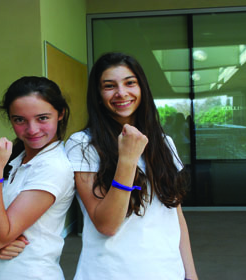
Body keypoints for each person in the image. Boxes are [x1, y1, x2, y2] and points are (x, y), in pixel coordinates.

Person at [65, 52, 198, 280]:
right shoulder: (82, 144)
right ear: (98, 95)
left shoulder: (164, 143)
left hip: (167, 271)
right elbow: (107, 225)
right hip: (110, 273)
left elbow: (175, 214)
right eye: (109, 86)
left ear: (142, 89)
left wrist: (191, 274)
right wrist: (127, 159)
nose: (121, 93)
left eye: (130, 83)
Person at [0, 76, 75, 280]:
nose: (32, 130)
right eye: (20, 120)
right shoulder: (14, 160)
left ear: (60, 114)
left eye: (42, 118)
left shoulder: (53, 167)